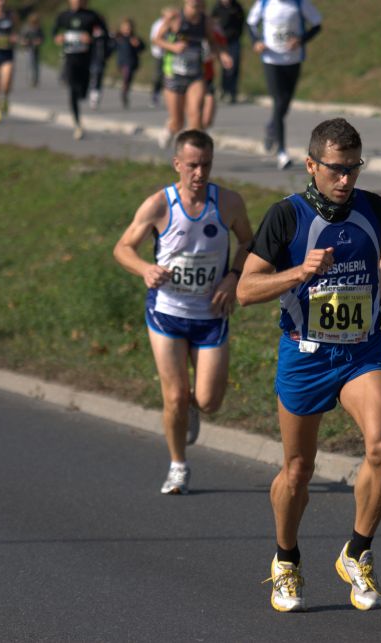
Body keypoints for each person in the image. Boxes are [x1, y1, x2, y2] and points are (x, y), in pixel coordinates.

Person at [237, 118, 381, 612]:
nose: (346, 179)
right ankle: (286, 559)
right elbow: (246, 290)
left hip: (361, 349)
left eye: (354, 168)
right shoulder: (285, 216)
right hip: (305, 355)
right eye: (336, 169)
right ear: (312, 165)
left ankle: (357, 550)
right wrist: (300, 271)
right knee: (297, 470)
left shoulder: (374, 208)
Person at [113, 129, 253, 495]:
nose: (199, 173)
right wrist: (144, 268)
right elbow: (123, 248)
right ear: (177, 164)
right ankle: (178, 466)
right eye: (191, 165)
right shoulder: (159, 204)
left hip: (211, 314)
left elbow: (249, 242)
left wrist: (233, 278)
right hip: (167, 311)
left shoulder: (229, 203)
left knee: (208, 401)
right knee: (174, 395)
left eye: (206, 164)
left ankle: (190, 407)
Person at [246, 0, 322, 171]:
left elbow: (317, 24)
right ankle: (282, 152)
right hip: (271, 59)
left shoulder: (298, 3)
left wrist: (301, 40)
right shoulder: (264, 3)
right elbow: (250, 24)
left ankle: (272, 127)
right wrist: (256, 42)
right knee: (279, 102)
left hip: (293, 59)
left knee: (284, 105)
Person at [153, 0, 233, 148]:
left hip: (195, 74)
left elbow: (212, 42)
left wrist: (222, 55)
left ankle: (190, 154)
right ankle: (170, 128)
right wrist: (173, 47)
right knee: (178, 122)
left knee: (195, 115)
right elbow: (156, 40)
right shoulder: (175, 17)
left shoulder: (206, 21)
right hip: (174, 74)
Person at [52, 0, 107, 140]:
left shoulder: (91, 16)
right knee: (72, 89)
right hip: (70, 57)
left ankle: (80, 95)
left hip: (86, 58)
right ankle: (77, 124)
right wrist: (58, 38)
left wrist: (92, 38)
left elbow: (104, 34)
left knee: (82, 92)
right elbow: (54, 32)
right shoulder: (64, 16)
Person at [211, 0, 245, 104]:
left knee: (234, 66)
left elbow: (242, 21)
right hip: (221, 41)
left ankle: (232, 91)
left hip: (234, 41)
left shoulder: (237, 6)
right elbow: (212, 23)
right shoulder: (217, 7)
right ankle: (223, 89)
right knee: (224, 67)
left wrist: (238, 34)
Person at [148, 7, 176, 108]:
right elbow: (155, 39)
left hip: (173, 56)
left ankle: (172, 98)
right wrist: (171, 47)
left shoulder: (176, 24)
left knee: (171, 78)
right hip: (160, 54)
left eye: (173, 17)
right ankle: (155, 95)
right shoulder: (159, 25)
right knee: (158, 76)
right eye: (170, 17)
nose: (171, 19)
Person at [114, 18, 145, 109]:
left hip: (132, 62)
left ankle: (125, 92)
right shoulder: (119, 38)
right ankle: (124, 92)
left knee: (129, 79)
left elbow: (142, 48)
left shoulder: (134, 38)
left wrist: (138, 45)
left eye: (129, 28)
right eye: (125, 28)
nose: (127, 30)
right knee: (126, 77)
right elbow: (111, 46)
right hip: (123, 62)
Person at [19, 13, 44, 88]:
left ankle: (35, 79)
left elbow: (42, 38)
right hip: (29, 48)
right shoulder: (27, 28)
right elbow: (22, 38)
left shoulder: (39, 28)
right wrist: (25, 42)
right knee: (30, 63)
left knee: (36, 64)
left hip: (36, 48)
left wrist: (39, 41)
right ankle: (31, 79)